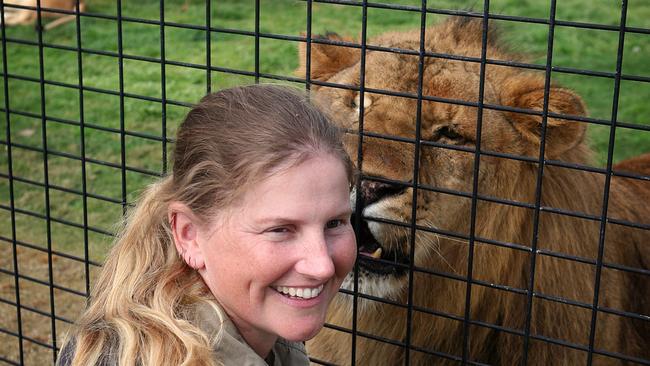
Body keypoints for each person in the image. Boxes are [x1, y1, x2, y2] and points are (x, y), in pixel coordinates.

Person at [57, 84, 357, 366]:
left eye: (335, 223)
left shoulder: (258, 327)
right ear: (190, 235)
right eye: (280, 230)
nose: (322, 266)